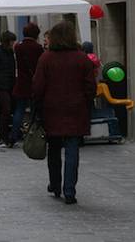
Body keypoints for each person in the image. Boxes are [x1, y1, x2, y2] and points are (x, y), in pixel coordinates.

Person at [33, 21, 96, 205]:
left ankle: (55, 184)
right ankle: (70, 190)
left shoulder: (46, 58)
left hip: (52, 108)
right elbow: (90, 86)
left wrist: (37, 103)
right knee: (72, 149)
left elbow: (38, 86)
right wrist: (86, 100)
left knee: (53, 148)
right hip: (76, 108)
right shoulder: (82, 58)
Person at [11, 23, 45, 145]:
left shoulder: (18, 47)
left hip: (21, 82)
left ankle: (14, 135)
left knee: (19, 110)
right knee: (35, 111)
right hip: (35, 82)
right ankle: (35, 134)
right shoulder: (38, 48)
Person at [0, 31, 17, 148]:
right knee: (6, 110)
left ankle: (6, 135)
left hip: (9, 84)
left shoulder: (9, 52)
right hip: (2, 85)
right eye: (12, 41)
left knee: (7, 110)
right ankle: (4, 136)